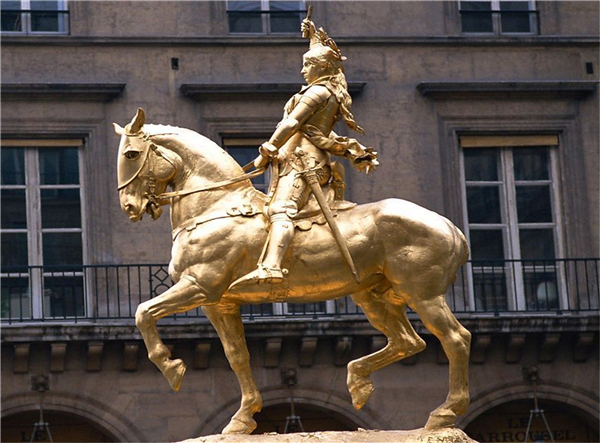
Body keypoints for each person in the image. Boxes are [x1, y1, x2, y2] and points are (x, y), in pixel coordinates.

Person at [231, 16, 378, 288]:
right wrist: (312, 37)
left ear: (321, 68)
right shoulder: (324, 87)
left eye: (307, 65)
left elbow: (291, 123)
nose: (302, 71)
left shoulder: (319, 92)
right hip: (295, 158)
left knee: (281, 209)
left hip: (306, 162)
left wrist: (268, 149)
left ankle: (272, 267)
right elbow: (325, 59)